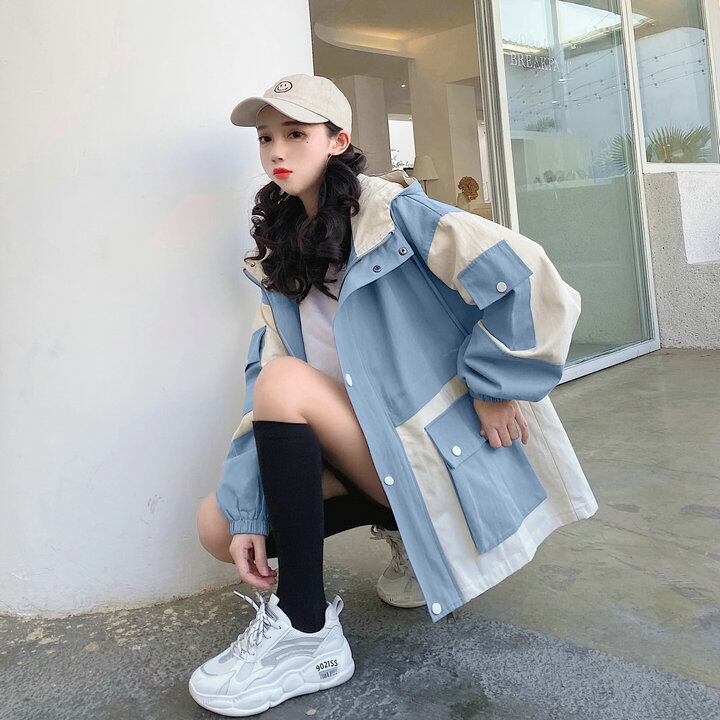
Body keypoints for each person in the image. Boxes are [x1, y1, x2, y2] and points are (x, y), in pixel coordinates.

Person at [190, 73, 598, 716]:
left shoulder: (397, 215)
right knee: (219, 524)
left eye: (296, 134)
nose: (277, 151)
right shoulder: (283, 254)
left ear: (338, 141)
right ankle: (405, 534)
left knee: (284, 382)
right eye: (266, 138)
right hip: (367, 450)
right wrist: (247, 510)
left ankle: (306, 634)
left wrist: (495, 386)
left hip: (428, 452)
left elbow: (531, 280)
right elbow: (259, 392)